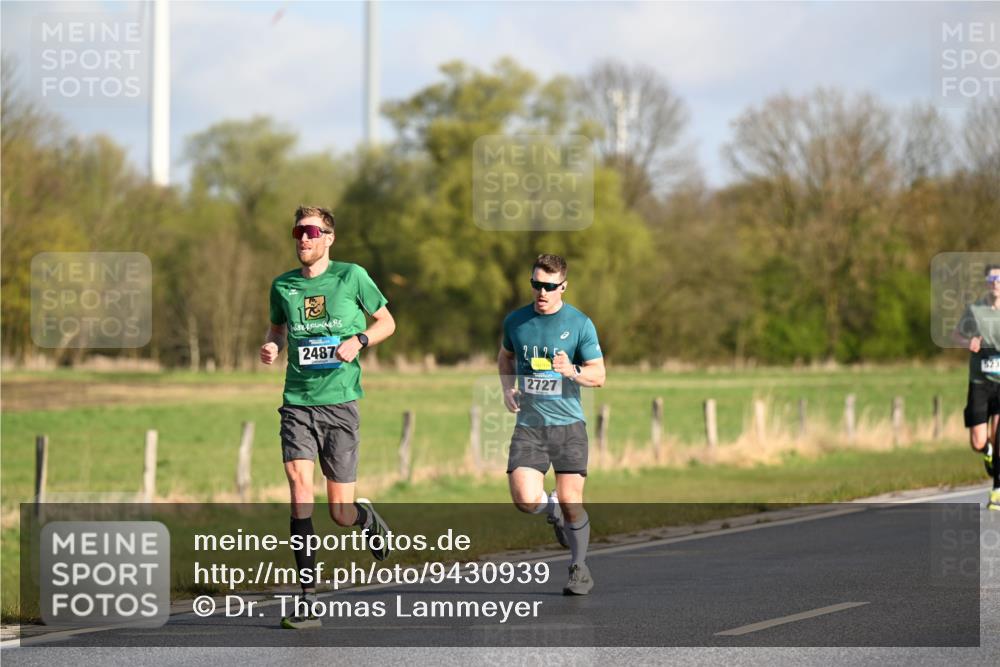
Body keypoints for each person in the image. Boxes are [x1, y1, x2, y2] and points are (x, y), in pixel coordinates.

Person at [261, 205, 397, 627]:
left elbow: (387, 322)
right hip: (297, 401)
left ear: (328, 238)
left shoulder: (351, 276)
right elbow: (277, 329)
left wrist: (360, 339)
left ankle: (364, 517)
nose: (304, 238)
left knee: (339, 512)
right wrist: (271, 346)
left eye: (312, 231)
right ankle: (307, 598)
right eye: (298, 231)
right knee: (300, 492)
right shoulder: (282, 286)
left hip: (339, 403)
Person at [498, 254, 606, 594]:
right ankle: (552, 508)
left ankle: (579, 567)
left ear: (563, 286)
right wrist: (507, 389)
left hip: (568, 426)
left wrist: (571, 371)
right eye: (536, 285)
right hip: (530, 425)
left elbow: (599, 375)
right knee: (524, 498)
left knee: (573, 502)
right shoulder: (516, 321)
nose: (541, 292)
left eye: (549, 286)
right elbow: (505, 356)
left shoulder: (579, 323)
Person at [952, 262, 1000, 510]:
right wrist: (967, 341)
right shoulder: (975, 310)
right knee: (978, 442)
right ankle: (988, 452)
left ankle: (997, 492)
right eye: (992, 280)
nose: (996, 284)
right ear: (986, 283)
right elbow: (955, 335)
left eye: (999, 280)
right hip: (980, 382)